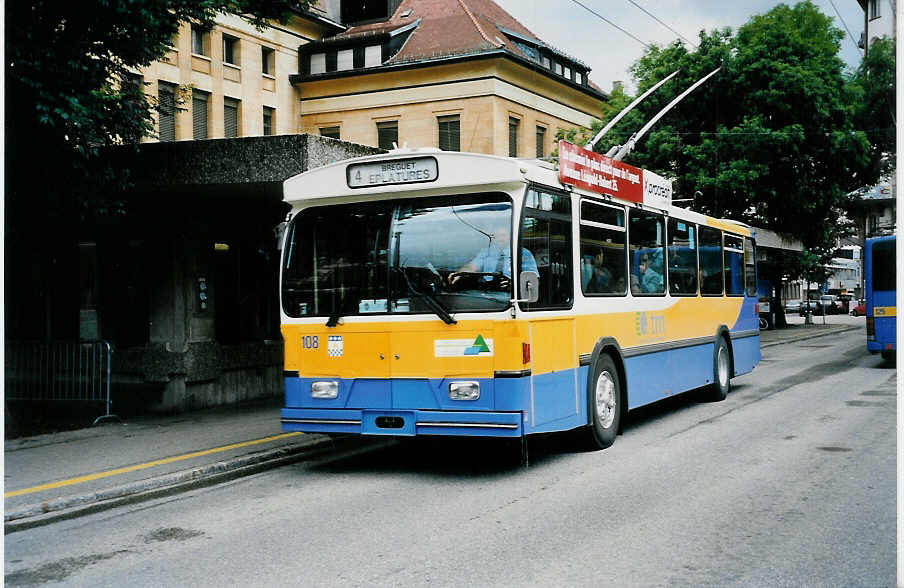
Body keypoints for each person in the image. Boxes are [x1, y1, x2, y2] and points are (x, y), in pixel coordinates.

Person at [449, 228, 537, 289]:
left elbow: (533, 281)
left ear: (510, 236)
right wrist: (459, 274)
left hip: (510, 293)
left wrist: (515, 286)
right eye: (497, 236)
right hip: (486, 292)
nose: (500, 238)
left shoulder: (523, 253)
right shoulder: (486, 251)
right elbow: (472, 266)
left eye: (503, 235)